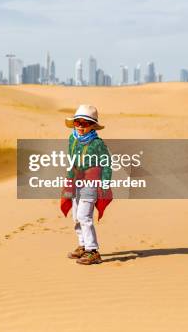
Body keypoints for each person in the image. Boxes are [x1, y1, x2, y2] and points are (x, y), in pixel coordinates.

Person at [60, 104, 112, 265]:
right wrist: (69, 178)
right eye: (78, 122)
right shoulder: (72, 138)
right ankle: (82, 245)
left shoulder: (98, 143)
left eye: (86, 123)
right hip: (76, 181)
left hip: (91, 182)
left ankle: (93, 251)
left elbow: (107, 163)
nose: (81, 126)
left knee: (84, 216)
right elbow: (71, 160)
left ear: (92, 126)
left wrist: (105, 184)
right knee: (76, 216)